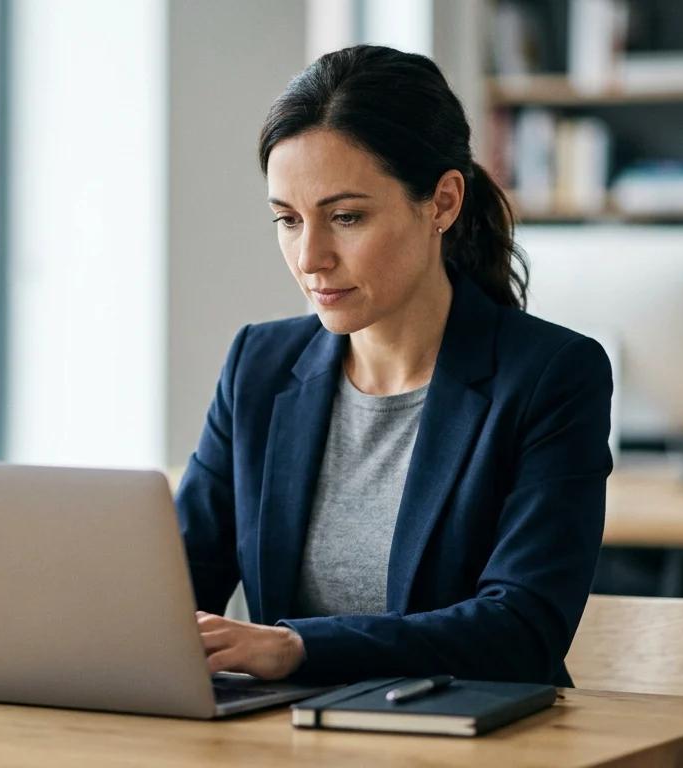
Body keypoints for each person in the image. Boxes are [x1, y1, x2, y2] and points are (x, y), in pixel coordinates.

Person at [174, 45, 613, 686]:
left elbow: (522, 629)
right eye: (287, 220)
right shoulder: (259, 366)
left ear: (441, 202)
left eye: (346, 217)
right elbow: (175, 589)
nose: (311, 257)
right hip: (286, 745)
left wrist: (299, 647)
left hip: (472, 744)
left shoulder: (552, 375)